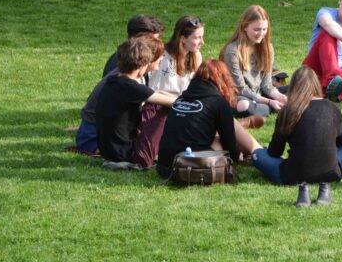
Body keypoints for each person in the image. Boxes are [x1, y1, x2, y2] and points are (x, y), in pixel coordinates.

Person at [252, 66, 342, 207]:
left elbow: (274, 152)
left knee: (257, 154)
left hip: (294, 173)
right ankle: (325, 180)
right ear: (316, 84)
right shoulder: (332, 108)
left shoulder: (288, 111)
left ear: (293, 86)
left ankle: (304, 178)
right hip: (331, 171)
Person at [156, 59, 263, 180]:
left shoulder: (180, 99)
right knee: (218, 139)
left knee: (206, 133)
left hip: (164, 167)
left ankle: (247, 134)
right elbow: (228, 143)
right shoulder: (218, 102)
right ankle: (257, 151)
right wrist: (236, 155)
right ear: (223, 80)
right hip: (191, 166)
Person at [95, 35, 177, 168]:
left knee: (155, 104)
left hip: (109, 151)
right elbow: (172, 103)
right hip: (127, 155)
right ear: (143, 65)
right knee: (162, 108)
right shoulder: (131, 87)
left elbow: (155, 94)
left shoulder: (113, 81)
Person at [141, 15, 208, 161]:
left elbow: (195, 89)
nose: (202, 42)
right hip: (158, 107)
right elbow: (152, 91)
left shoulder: (196, 56)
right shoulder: (161, 56)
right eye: (197, 38)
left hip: (183, 106)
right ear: (183, 39)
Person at [221, 5, 288, 118]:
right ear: (244, 27)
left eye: (264, 29)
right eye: (256, 30)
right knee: (244, 106)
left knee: (297, 88)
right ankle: (274, 108)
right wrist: (269, 102)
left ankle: (279, 104)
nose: (261, 34)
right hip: (239, 96)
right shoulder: (232, 52)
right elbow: (241, 89)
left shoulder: (268, 48)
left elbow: (266, 85)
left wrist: (280, 97)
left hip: (260, 93)